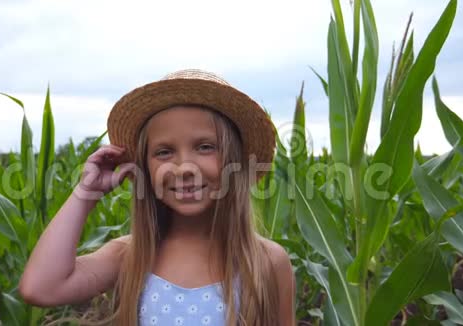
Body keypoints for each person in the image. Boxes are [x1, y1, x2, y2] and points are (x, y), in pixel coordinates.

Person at [19, 69, 296, 325]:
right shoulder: (130, 256)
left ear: (234, 161)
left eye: (204, 147)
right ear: (145, 169)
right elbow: (40, 288)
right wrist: (86, 194)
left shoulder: (265, 262)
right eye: (164, 152)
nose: (184, 167)